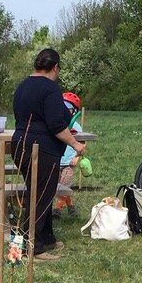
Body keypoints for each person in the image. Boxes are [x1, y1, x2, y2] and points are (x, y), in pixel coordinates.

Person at [11, 49, 87, 260]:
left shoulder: (22, 86)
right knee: (41, 196)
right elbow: (56, 125)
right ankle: (32, 247)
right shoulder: (51, 89)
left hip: (19, 145)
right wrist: (75, 144)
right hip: (40, 149)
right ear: (55, 67)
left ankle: (47, 237)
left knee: (40, 192)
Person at [54, 90, 86, 218]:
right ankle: (71, 206)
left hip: (68, 163)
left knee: (63, 186)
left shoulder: (76, 127)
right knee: (59, 187)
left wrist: (77, 158)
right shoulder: (56, 124)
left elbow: (82, 144)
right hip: (56, 162)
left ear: (74, 111)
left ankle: (57, 210)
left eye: (68, 107)